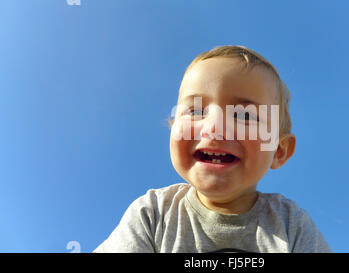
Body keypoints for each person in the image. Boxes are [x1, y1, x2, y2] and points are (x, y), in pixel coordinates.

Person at [94, 45, 331, 253]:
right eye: (196, 111)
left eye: (244, 115)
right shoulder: (153, 214)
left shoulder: (290, 224)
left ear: (279, 151)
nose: (214, 127)